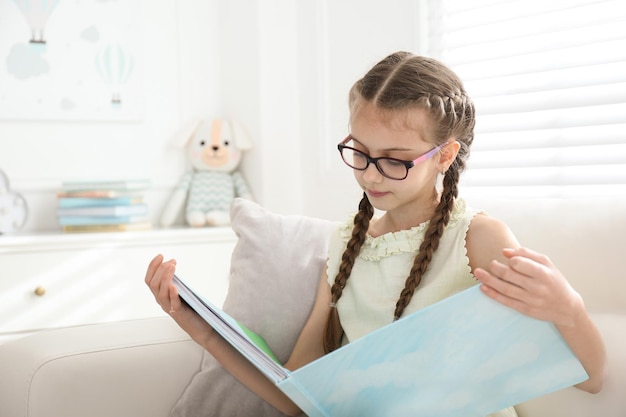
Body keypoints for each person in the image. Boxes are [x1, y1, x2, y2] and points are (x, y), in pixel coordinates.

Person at [145, 51, 607, 416]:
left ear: (444, 156)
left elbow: (590, 376)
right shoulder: (347, 244)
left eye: (394, 159)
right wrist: (205, 333)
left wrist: (569, 308)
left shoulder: (478, 239)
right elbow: (297, 396)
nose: (371, 174)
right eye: (359, 152)